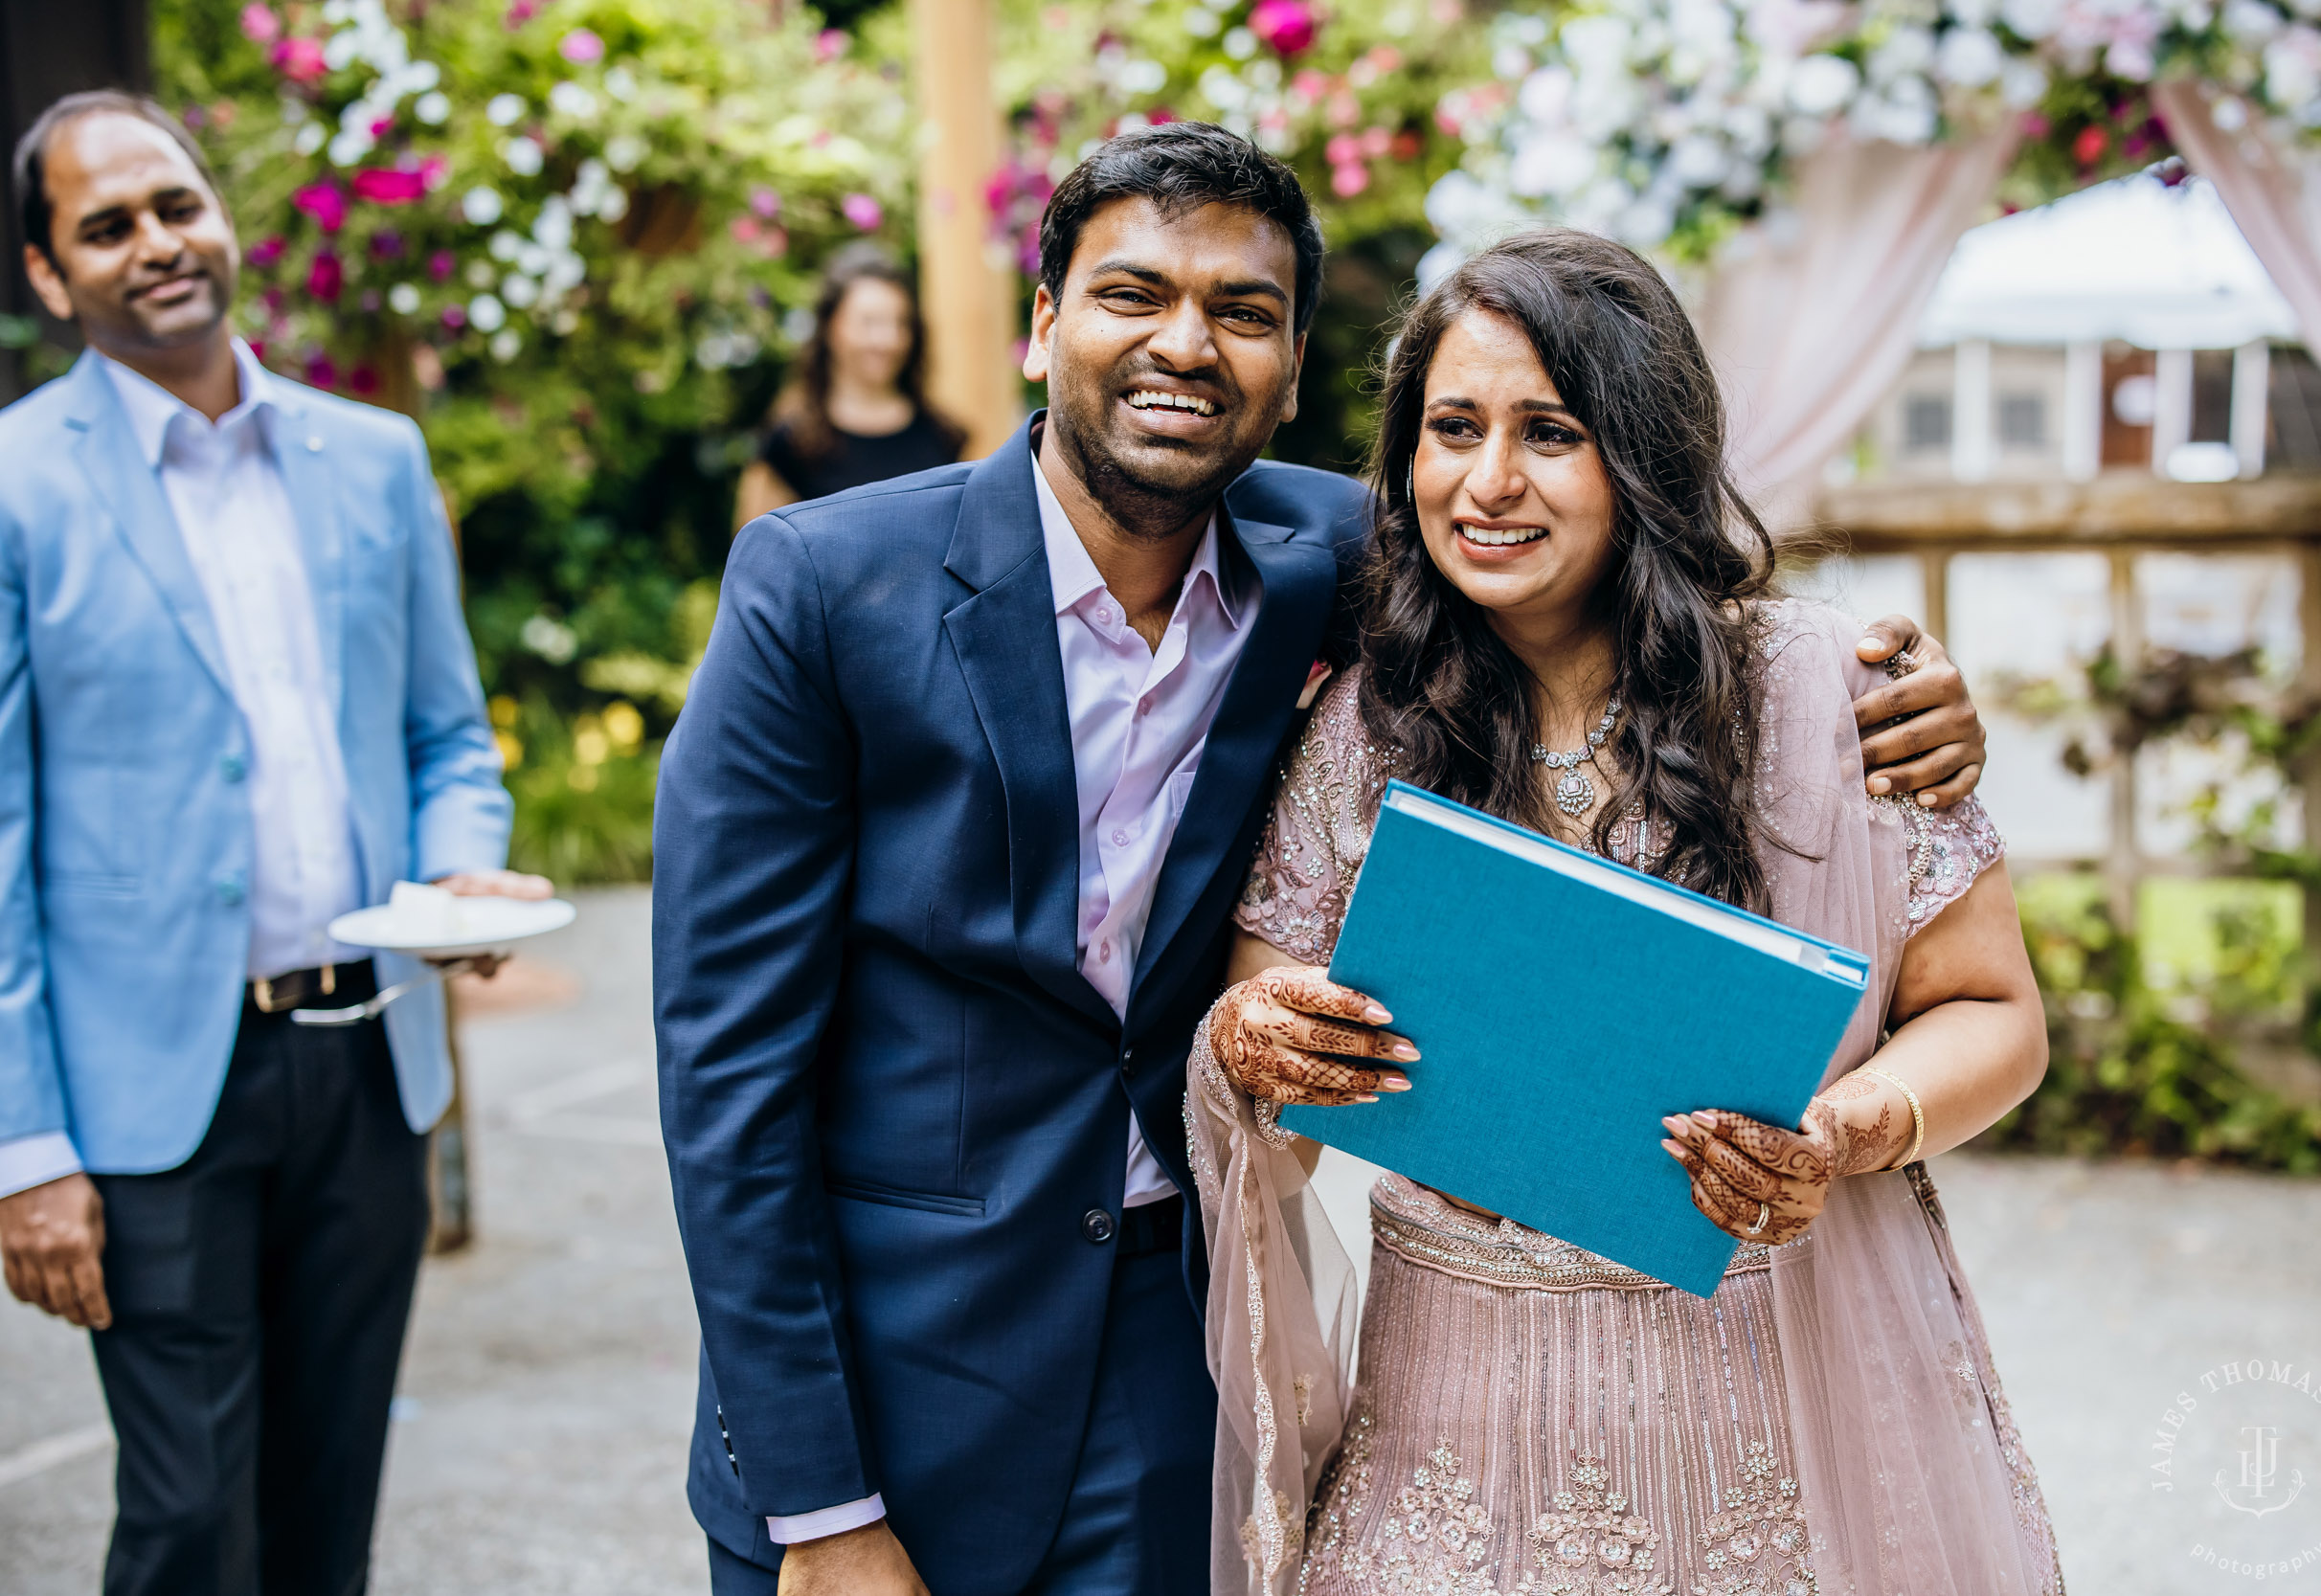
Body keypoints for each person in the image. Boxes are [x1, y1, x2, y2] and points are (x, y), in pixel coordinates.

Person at [652, 124, 1990, 1596]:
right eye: (1132, 293)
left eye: (1241, 310)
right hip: (897, 1371)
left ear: (1293, 369)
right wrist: (822, 1502)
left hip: (1172, 1360)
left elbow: (1583, 581)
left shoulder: (1350, 559)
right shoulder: (823, 587)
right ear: (1043, 322)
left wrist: (1899, 690)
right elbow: (729, 1074)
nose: (1185, 343)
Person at [1193, 230, 2064, 1596]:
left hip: (1762, 1418)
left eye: (1549, 432)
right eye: (1453, 429)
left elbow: (1991, 1009)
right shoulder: (1370, 723)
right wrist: (1255, 1046)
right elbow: (1278, 1071)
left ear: (1643, 453)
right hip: (1450, 1431)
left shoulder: (1829, 692)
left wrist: (1842, 1131)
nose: (1488, 481)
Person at [0, 91, 548, 1596]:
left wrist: (459, 867)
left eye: (176, 205)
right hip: (144, 1094)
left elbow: (447, 737)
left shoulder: (373, 456)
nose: (157, 243)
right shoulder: (16, 484)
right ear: (50, 273)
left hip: (368, 1066)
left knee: (326, 1510)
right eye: (107, 226)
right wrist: (24, 1149)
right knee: (189, 1519)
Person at [732, 243, 965, 526]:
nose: (889, 339)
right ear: (830, 326)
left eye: (900, 322)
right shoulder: (790, 443)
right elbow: (757, 546)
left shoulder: (943, 436)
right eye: (870, 322)